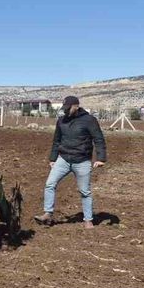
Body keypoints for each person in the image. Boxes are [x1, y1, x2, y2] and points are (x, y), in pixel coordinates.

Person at [34, 95, 107, 229]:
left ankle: (88, 220)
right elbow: (56, 141)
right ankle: (47, 214)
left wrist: (101, 158)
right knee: (50, 184)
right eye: (64, 108)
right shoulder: (61, 121)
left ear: (76, 106)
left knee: (85, 191)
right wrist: (52, 158)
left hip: (82, 161)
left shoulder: (89, 120)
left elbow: (98, 139)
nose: (66, 111)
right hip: (64, 159)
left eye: (68, 108)